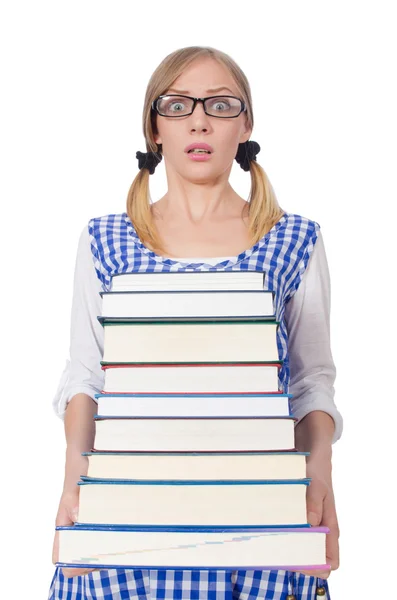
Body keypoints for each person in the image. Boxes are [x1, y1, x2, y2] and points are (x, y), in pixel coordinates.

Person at [48, 45, 343, 600]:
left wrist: (319, 481)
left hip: (265, 531)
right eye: (178, 104)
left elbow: (310, 381)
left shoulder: (294, 240)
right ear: (154, 128)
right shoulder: (106, 240)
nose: (200, 119)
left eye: (220, 104)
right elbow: (86, 376)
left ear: (246, 124)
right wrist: (73, 485)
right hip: (122, 530)